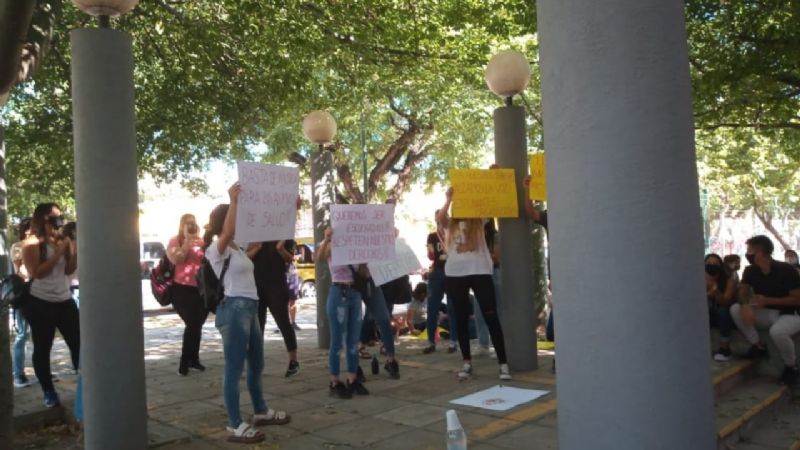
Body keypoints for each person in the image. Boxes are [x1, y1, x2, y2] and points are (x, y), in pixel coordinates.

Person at [203, 184, 291, 444]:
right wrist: (233, 200)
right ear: (225, 221)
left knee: (257, 364)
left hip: (250, 308)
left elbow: (267, 231)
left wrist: (287, 210)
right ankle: (234, 423)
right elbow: (229, 229)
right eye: (236, 217)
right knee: (234, 368)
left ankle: (260, 410)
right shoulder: (216, 249)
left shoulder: (238, 249)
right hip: (234, 309)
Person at [437, 188, 511, 380]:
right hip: (455, 274)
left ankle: (503, 364)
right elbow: (441, 217)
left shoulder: (479, 220)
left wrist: (493, 179)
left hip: (480, 272)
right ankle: (466, 362)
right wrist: (449, 199)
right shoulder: (451, 223)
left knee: (491, 315)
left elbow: (493, 203)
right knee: (460, 318)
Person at [21, 203, 79, 408]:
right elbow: (37, 272)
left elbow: (69, 270)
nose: (60, 220)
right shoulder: (31, 242)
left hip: (64, 300)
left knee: (79, 343)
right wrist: (59, 252)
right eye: (55, 216)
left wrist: (73, 250)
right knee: (43, 348)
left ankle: (84, 383)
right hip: (40, 303)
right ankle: (49, 391)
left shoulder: (61, 240)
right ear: (44, 218)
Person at [730, 235, 800, 387]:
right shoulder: (750, 271)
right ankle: (758, 345)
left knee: (778, 332)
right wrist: (744, 305)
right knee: (735, 309)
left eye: (750, 251)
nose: (747, 254)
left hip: (789, 314)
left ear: (760, 253)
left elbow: (797, 299)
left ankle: (791, 366)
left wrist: (768, 300)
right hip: (766, 312)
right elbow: (742, 291)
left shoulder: (786, 270)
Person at [315, 226, 369, 399]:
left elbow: (363, 272)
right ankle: (334, 381)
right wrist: (327, 240)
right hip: (339, 292)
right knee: (337, 341)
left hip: (354, 293)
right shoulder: (332, 243)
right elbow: (319, 258)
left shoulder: (357, 244)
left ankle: (352, 379)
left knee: (353, 340)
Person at [247, 238, 300, 378]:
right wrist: (256, 248)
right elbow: (245, 257)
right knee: (258, 326)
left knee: (283, 322)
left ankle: (293, 361)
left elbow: (291, 259)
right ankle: (256, 363)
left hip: (277, 285)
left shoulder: (282, 233)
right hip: (256, 285)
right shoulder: (253, 232)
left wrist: (280, 248)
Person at [167, 213, 208, 376]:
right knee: (192, 323)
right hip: (182, 289)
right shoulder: (174, 241)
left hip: (200, 289)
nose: (191, 226)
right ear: (182, 225)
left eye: (193, 223)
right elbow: (177, 260)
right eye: (188, 223)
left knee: (197, 324)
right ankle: (184, 362)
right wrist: (186, 242)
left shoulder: (201, 242)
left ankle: (194, 359)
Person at [422, 210, 460, 354]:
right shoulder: (432, 236)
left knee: (452, 307)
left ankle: (453, 341)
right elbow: (431, 257)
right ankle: (431, 341)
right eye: (438, 219)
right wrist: (430, 251)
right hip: (437, 272)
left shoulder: (454, 234)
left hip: (452, 271)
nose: (440, 222)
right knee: (432, 307)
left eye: (443, 219)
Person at [11, 217, 32, 388]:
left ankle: (43, 370)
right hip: (24, 294)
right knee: (22, 334)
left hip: (39, 293)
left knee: (41, 335)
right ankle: (18, 374)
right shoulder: (18, 247)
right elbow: (22, 272)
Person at [705, 253, 737, 361]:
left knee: (723, 311)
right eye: (709, 263)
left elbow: (726, 302)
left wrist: (716, 292)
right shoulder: (701, 279)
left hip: (726, 316)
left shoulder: (729, 280)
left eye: (715, 263)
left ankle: (725, 349)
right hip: (709, 315)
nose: (712, 265)